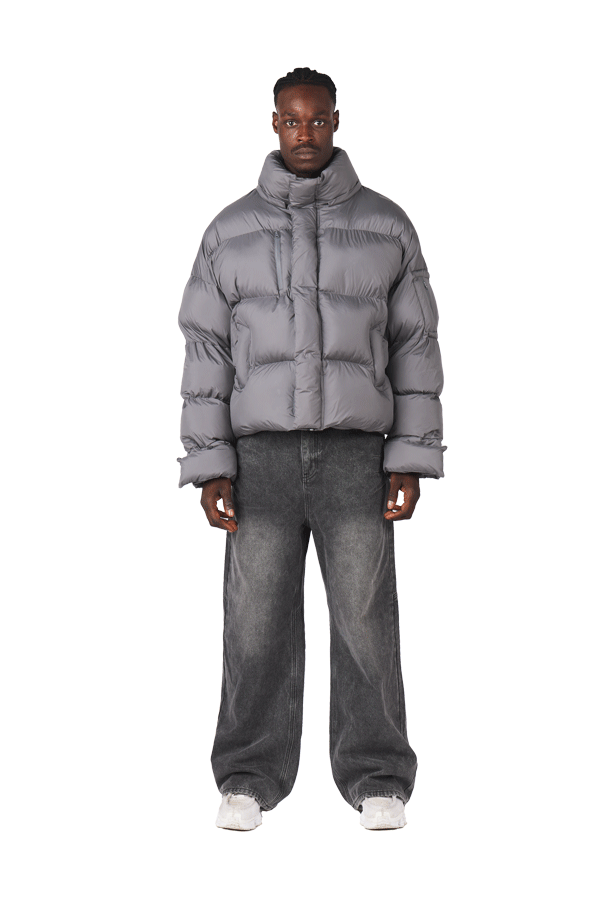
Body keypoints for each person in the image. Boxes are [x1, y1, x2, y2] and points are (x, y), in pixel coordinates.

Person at [176, 67, 446, 831]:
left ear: (336, 120)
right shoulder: (229, 231)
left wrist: (409, 456)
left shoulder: (387, 225)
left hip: (357, 455)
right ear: (274, 123)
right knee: (254, 622)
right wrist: (210, 464)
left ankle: (378, 777)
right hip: (258, 459)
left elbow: (415, 345)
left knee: (366, 622)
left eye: (318, 120)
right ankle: (248, 777)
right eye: (292, 121)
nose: (306, 133)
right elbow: (205, 354)